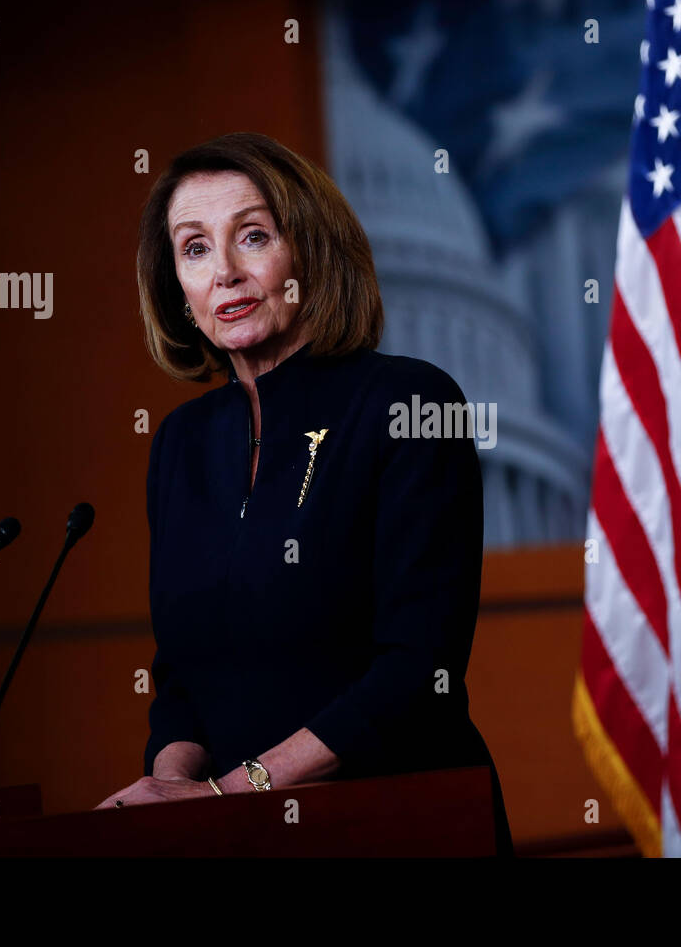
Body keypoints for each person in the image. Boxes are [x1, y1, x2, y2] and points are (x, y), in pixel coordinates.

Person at [96, 132, 513, 857]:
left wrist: (232, 794)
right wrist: (171, 798)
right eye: (194, 249)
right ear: (176, 288)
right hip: (239, 840)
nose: (224, 272)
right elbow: (181, 680)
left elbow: (418, 671)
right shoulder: (181, 444)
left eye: (252, 236)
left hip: (401, 825)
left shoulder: (407, 402)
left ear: (311, 254)